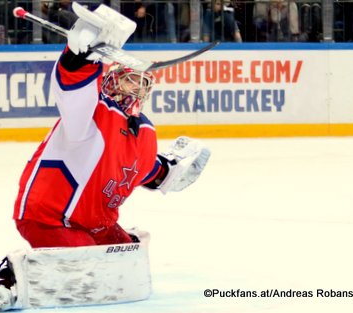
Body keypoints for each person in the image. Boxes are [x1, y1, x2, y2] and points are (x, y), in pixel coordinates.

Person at [12, 4, 210, 249]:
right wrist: (79, 58)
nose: (136, 90)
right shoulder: (93, 111)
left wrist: (171, 172)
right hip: (52, 219)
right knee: (90, 267)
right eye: (130, 82)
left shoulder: (144, 131)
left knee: (129, 252)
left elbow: (143, 170)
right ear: (111, 81)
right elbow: (71, 87)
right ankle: (11, 278)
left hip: (96, 223)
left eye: (142, 84)